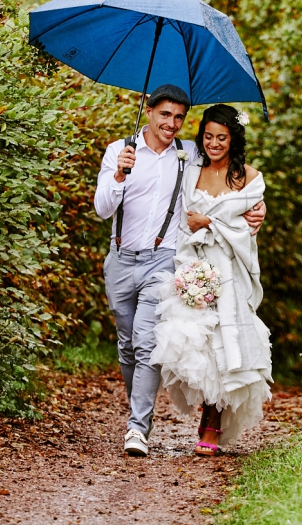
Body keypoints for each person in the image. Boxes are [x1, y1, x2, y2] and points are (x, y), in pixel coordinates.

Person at [93, 86, 265, 457]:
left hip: (163, 259)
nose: (171, 124)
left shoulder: (187, 154)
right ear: (149, 111)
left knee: (146, 342)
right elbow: (102, 209)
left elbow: (231, 175)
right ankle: (139, 408)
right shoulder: (119, 151)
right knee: (127, 345)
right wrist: (119, 175)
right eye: (165, 115)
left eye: (179, 117)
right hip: (120, 258)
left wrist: (258, 209)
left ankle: (138, 427)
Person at [150, 104, 271, 456]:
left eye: (221, 137)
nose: (214, 144)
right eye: (208, 136)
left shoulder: (250, 178)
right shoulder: (191, 172)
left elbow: (246, 230)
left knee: (226, 344)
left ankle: (213, 422)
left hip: (231, 270)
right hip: (196, 267)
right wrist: (187, 267)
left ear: (234, 139)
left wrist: (210, 223)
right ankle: (206, 409)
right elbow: (182, 221)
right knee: (197, 345)